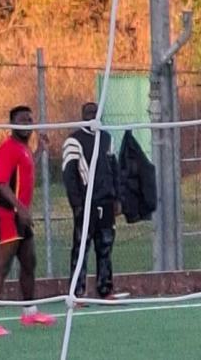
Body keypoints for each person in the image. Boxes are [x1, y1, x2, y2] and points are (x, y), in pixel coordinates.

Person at [0, 105, 56, 336]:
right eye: (21, 121)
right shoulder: (7, 148)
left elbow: (27, 164)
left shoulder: (23, 149)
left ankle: (30, 312)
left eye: (29, 120)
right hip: (5, 215)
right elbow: (1, 183)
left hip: (20, 216)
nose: (27, 124)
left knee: (29, 262)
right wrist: (20, 209)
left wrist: (40, 150)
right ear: (12, 124)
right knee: (2, 267)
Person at [62, 102, 121, 301]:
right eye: (88, 113)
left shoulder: (106, 138)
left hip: (106, 203)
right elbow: (69, 175)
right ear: (82, 115)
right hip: (85, 205)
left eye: (95, 113)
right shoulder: (73, 140)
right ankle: (77, 292)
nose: (92, 116)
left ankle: (105, 290)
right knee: (81, 248)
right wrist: (77, 204)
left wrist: (117, 198)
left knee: (105, 246)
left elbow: (114, 169)